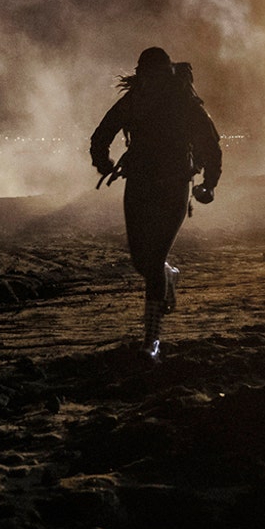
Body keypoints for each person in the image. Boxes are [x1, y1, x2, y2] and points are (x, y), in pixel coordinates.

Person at [90, 47, 222, 360]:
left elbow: (211, 146)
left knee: (153, 258)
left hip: (176, 187)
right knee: (141, 260)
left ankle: (152, 339)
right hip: (139, 185)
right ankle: (166, 275)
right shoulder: (134, 101)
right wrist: (103, 161)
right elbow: (101, 135)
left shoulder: (186, 106)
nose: (150, 80)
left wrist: (209, 184)